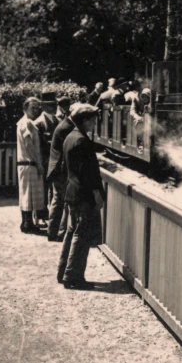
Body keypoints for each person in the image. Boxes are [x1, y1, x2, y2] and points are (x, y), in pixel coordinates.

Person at [58, 104, 107, 287]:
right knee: (81, 234)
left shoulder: (70, 137)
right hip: (83, 195)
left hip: (72, 192)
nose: (95, 122)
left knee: (72, 232)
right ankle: (73, 277)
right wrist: (96, 194)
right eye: (93, 119)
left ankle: (63, 272)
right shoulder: (81, 140)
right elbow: (87, 174)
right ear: (85, 120)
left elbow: (65, 169)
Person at [47, 104, 78, 243]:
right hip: (60, 170)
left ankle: (54, 232)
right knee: (60, 201)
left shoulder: (65, 124)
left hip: (57, 168)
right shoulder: (67, 127)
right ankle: (55, 233)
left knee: (58, 201)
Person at [17, 97, 46, 233]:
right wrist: (39, 164)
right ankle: (27, 224)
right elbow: (29, 145)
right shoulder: (26, 122)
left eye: (37, 108)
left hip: (27, 163)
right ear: (25, 108)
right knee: (28, 195)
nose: (35, 110)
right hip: (29, 163)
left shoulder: (26, 122)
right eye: (32, 108)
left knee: (28, 194)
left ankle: (27, 223)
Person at [35, 93, 60, 221]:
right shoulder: (39, 123)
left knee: (54, 190)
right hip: (45, 160)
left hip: (56, 161)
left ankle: (53, 216)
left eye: (55, 104)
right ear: (44, 106)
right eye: (51, 105)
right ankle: (41, 215)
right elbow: (38, 145)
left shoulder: (58, 121)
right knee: (43, 189)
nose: (54, 107)